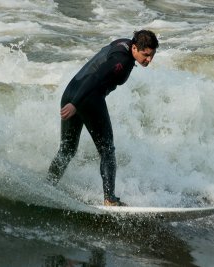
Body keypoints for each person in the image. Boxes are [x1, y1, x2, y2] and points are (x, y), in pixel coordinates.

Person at [47, 30, 159, 206]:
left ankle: (48, 185)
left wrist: (73, 101)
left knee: (67, 150)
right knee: (107, 150)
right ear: (135, 48)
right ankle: (110, 199)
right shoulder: (121, 60)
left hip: (70, 93)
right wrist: (76, 104)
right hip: (86, 99)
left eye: (152, 55)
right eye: (146, 55)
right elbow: (96, 76)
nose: (149, 60)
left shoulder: (123, 44)